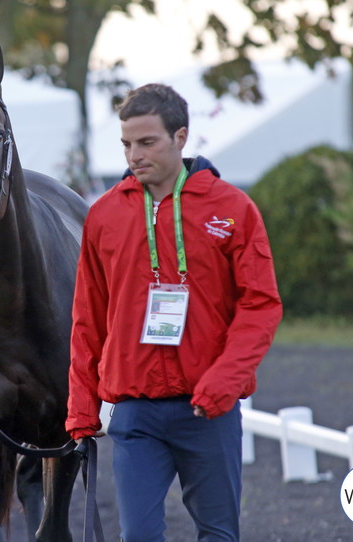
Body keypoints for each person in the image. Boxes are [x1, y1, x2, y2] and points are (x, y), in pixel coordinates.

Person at [66, 84, 283, 542]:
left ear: (181, 137)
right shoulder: (103, 215)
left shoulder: (232, 208)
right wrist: (82, 407)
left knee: (219, 534)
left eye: (147, 142)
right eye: (126, 144)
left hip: (208, 411)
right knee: (139, 536)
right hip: (133, 412)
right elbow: (89, 318)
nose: (134, 155)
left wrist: (224, 381)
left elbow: (260, 305)